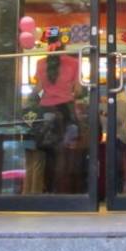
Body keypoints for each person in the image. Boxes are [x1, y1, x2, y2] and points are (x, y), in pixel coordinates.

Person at [23, 31, 82, 194]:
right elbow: (78, 89)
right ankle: (60, 191)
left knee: (45, 154)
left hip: (45, 112)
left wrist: (28, 102)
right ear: (64, 44)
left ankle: (45, 190)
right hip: (66, 110)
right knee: (64, 153)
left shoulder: (40, 63)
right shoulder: (74, 63)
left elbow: (38, 89)